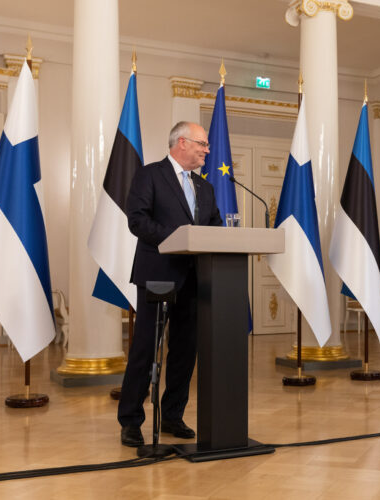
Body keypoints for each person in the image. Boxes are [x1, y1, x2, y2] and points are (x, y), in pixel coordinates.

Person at [118, 121, 222, 447]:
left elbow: (215, 226)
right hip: (158, 275)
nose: (207, 150)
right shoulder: (150, 175)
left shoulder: (206, 188)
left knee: (184, 352)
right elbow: (137, 219)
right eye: (202, 144)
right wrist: (178, 239)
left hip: (194, 279)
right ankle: (131, 420)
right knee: (145, 349)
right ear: (181, 143)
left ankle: (173, 415)